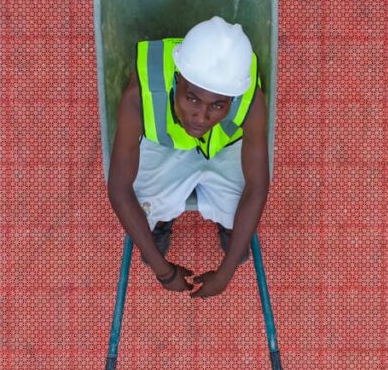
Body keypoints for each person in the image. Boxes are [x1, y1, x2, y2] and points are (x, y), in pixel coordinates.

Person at [107, 16, 270, 299]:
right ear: (178, 78)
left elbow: (257, 188)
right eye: (192, 99)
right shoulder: (140, 92)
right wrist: (164, 271)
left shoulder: (249, 97)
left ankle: (228, 224)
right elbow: (119, 190)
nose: (202, 116)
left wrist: (225, 273)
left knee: (243, 228)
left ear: (232, 98)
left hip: (224, 146)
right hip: (166, 145)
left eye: (218, 105)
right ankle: (160, 221)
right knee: (140, 216)